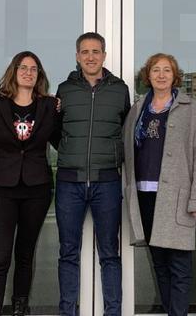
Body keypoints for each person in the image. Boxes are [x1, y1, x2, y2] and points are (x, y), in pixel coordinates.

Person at [123, 53, 196, 316]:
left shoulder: (190, 108)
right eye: (155, 70)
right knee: (159, 263)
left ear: (175, 76)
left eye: (167, 70)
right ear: (147, 76)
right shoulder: (138, 109)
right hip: (145, 195)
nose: (161, 75)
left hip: (177, 197)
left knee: (180, 265)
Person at [54, 32, 130, 316]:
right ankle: (67, 311)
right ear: (77, 56)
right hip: (69, 182)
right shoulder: (64, 89)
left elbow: (125, 132)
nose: (90, 57)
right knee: (68, 252)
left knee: (110, 253)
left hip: (107, 181)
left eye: (96, 51)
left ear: (104, 55)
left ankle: (113, 311)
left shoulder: (120, 90)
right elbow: (55, 131)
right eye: (84, 52)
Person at [0, 51, 60, 316]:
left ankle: (19, 307)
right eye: (23, 67)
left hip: (36, 188)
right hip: (2, 188)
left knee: (25, 254)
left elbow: (61, 140)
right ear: (13, 71)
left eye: (34, 68)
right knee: (0, 257)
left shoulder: (50, 106)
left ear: (39, 74)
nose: (29, 72)